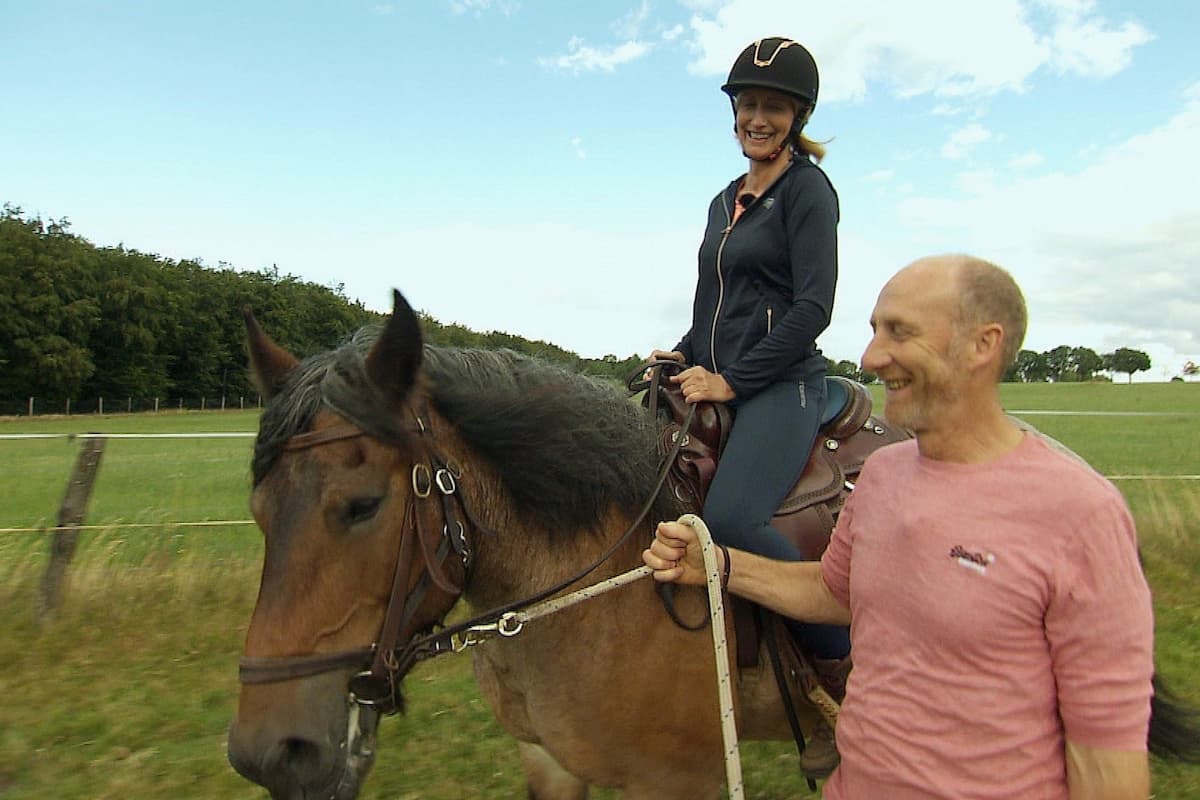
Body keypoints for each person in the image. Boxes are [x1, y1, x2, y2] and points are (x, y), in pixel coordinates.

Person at [644, 254, 1155, 799]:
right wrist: (720, 565)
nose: (871, 357)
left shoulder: (1081, 514)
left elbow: (1108, 766)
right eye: (874, 331)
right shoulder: (885, 475)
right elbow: (832, 591)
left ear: (985, 344)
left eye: (900, 333)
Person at [648, 36, 849, 776]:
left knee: (730, 520)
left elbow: (812, 306)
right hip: (722, 372)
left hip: (784, 383)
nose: (756, 118)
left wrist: (733, 381)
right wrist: (684, 354)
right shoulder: (720, 200)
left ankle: (841, 674)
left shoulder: (808, 191)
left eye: (771, 106)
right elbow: (715, 303)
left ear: (796, 116)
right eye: (747, 105)